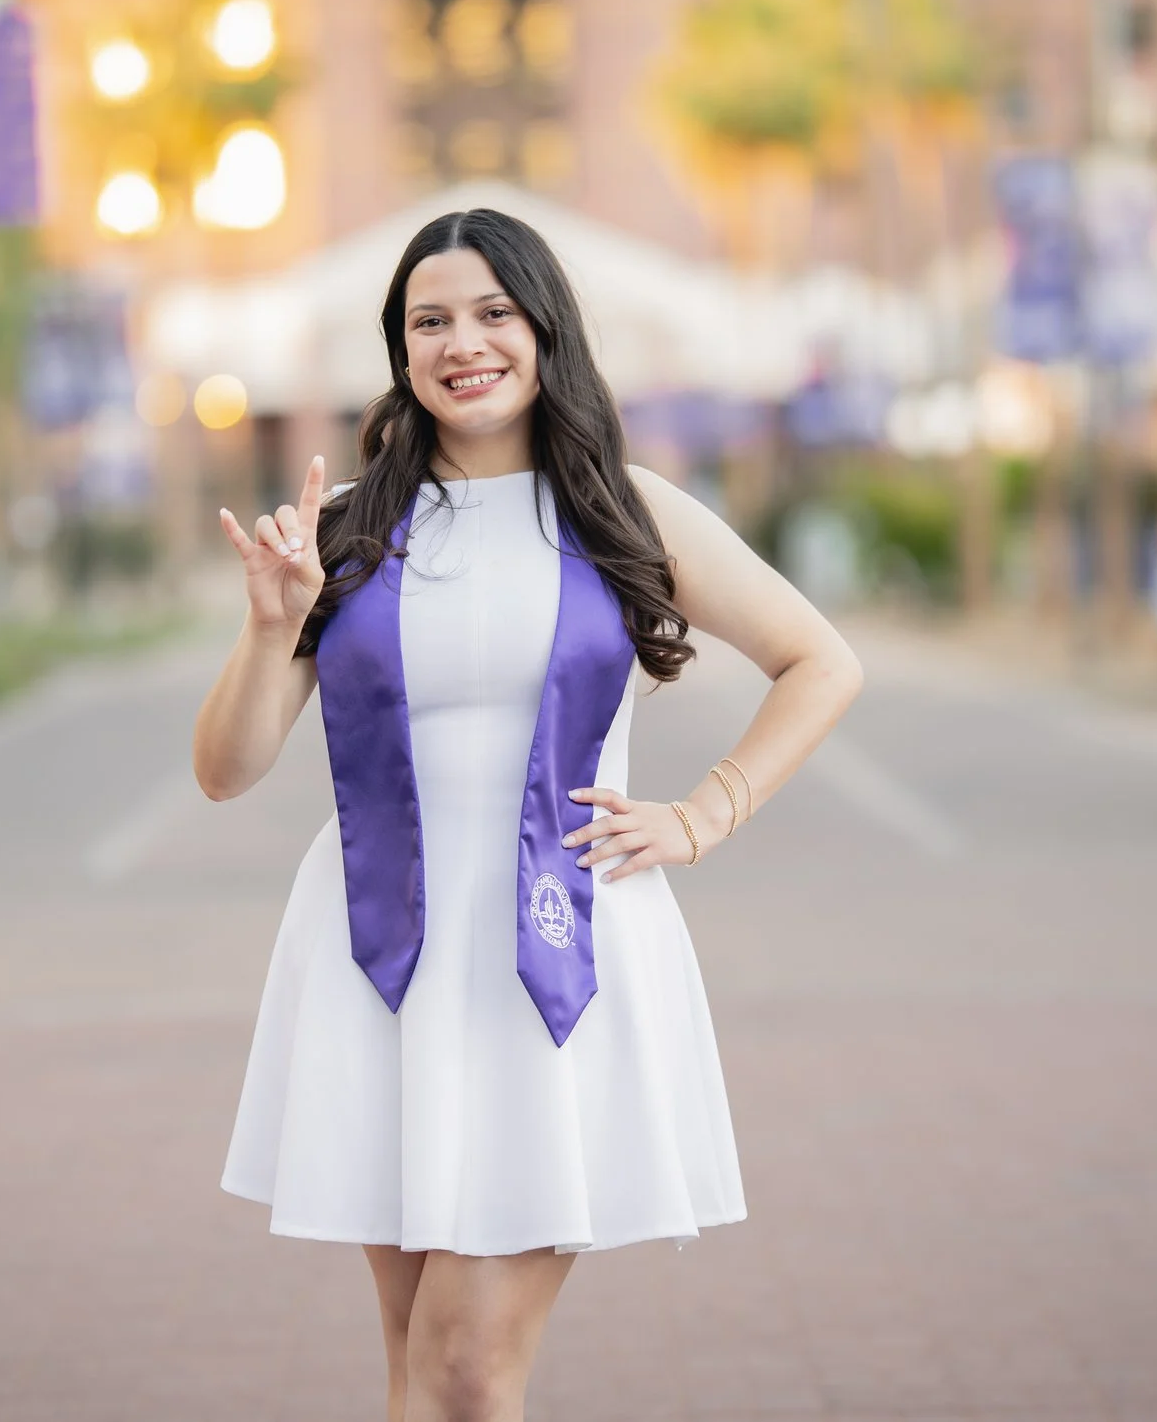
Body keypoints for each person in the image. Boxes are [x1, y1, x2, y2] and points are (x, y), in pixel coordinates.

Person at [191, 208, 864, 1421]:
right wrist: (268, 622)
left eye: (494, 313)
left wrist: (705, 811)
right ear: (398, 351)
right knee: (417, 1368)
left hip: (560, 953)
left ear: (546, 328)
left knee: (462, 1366)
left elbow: (819, 661)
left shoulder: (623, 509)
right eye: (429, 320)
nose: (465, 342)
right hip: (378, 955)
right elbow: (226, 768)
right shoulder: (348, 528)